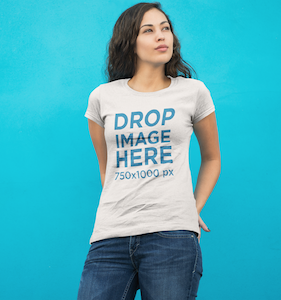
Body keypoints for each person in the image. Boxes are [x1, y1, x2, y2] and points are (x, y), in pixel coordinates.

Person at [77, 2, 221, 300]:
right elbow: (108, 169)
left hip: (172, 237)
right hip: (110, 236)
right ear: (130, 42)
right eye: (149, 30)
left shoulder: (193, 92)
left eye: (165, 28)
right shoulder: (102, 98)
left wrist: (191, 209)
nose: (161, 36)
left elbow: (212, 158)